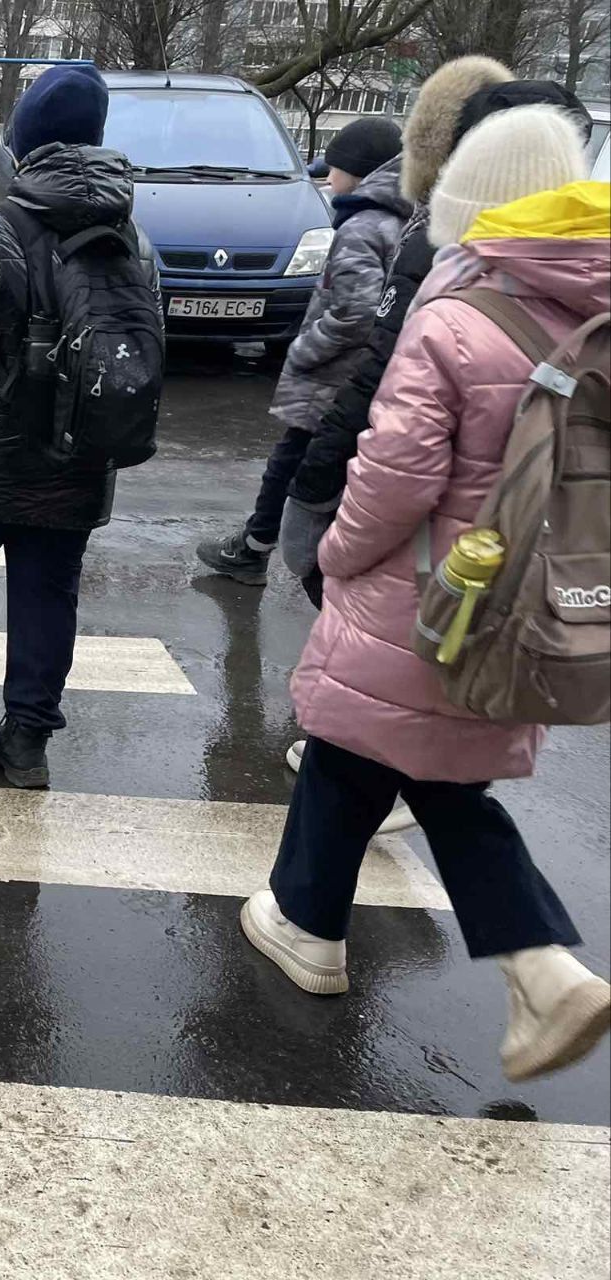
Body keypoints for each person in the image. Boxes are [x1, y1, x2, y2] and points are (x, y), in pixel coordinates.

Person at [240, 105, 611, 1083]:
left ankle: (530, 963)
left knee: (375, 748)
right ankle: (315, 922)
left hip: (429, 590)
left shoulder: (454, 316)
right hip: (535, 602)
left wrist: (337, 555)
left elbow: (393, 474)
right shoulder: (597, 316)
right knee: (392, 755)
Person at [0, 64, 160, 788]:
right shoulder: (134, 239)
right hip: (80, 457)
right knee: (50, 594)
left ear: (24, 141)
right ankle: (25, 739)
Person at [279, 71, 593, 589]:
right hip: (560, 573)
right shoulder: (590, 274)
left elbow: (397, 452)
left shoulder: (445, 276)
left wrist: (320, 518)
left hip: (442, 566)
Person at [195, 117, 410, 596]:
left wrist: (306, 347)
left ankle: (254, 548)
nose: (328, 177)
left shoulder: (362, 227)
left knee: (291, 463)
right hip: (364, 377)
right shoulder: (403, 220)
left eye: (334, 168)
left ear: (357, 172)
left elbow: (357, 312)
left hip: (334, 377)